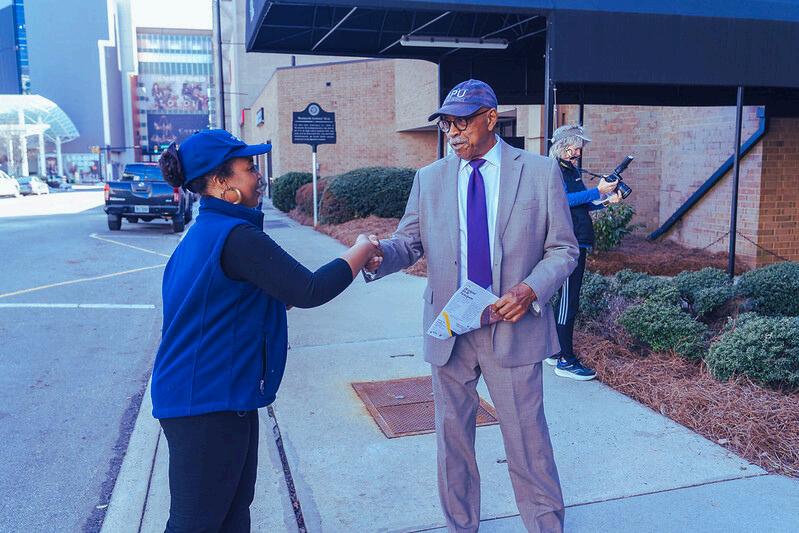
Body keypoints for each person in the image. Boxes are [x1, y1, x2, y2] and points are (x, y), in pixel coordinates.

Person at [364, 80, 578, 533]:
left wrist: (530, 289)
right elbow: (409, 242)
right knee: (453, 444)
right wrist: (381, 254)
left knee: (528, 444)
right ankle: (461, 526)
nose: (453, 133)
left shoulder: (539, 172)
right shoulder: (429, 178)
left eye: (462, 122)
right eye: (447, 124)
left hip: (512, 329)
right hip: (451, 330)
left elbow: (563, 249)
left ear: (490, 118)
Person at [151, 129, 381, 532]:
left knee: (232, 515)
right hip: (205, 403)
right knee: (195, 523)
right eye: (249, 167)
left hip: (218, 397)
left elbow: (254, 298)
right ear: (221, 182)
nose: (259, 176)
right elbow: (308, 290)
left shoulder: (209, 231)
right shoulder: (236, 237)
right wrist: (361, 248)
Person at [544, 125, 622, 381]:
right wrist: (598, 190)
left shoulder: (570, 170)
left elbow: (581, 203)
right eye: (575, 148)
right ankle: (565, 360)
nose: (578, 152)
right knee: (568, 300)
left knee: (568, 299)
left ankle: (556, 352)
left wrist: (605, 200)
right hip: (568, 242)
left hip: (579, 240)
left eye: (579, 148)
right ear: (562, 146)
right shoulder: (553, 169)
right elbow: (563, 201)